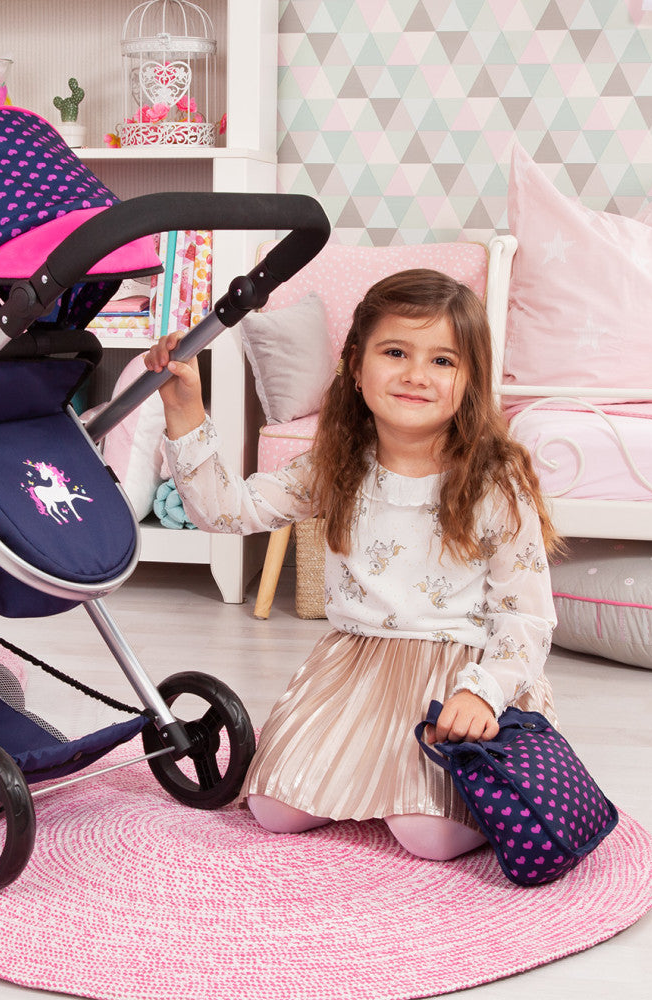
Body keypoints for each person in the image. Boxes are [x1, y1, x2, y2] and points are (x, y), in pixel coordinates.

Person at [143, 268, 561, 862]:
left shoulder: (495, 481)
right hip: (355, 668)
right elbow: (224, 510)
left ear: (470, 381)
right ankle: (376, 773)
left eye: (443, 361)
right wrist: (185, 408)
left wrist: (486, 695)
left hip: (459, 672)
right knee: (274, 808)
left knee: (429, 836)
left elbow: (526, 616)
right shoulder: (334, 466)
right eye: (396, 352)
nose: (416, 374)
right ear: (356, 367)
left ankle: (452, 775)